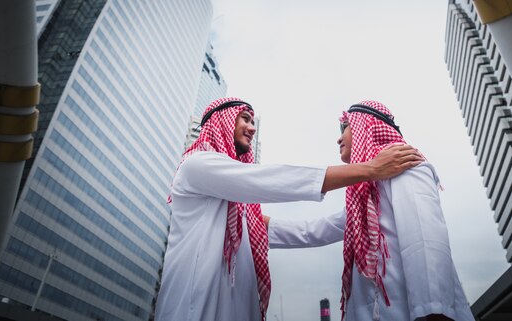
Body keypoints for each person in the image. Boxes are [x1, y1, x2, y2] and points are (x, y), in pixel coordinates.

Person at [153, 97, 423, 321]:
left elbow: (308, 232)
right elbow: (266, 180)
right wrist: (370, 170)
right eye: (245, 118)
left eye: (252, 121)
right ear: (221, 121)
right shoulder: (196, 167)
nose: (251, 127)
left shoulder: (244, 218)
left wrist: (367, 206)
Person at [266, 100, 475, 321]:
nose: (339, 137)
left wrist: (435, 312)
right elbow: (314, 231)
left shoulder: (407, 168)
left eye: (344, 127)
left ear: (365, 126)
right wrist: (254, 220)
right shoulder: (363, 200)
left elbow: (426, 244)